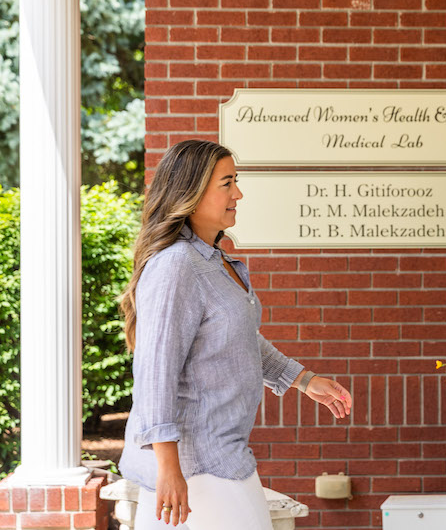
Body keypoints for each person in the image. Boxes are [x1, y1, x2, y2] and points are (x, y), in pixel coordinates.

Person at [117, 140, 353, 529]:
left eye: (236, 181)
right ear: (190, 193)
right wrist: (169, 470)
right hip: (195, 468)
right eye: (227, 183)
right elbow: (155, 373)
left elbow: (239, 339)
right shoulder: (177, 266)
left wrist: (303, 380)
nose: (238, 193)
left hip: (223, 455)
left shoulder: (215, 261)